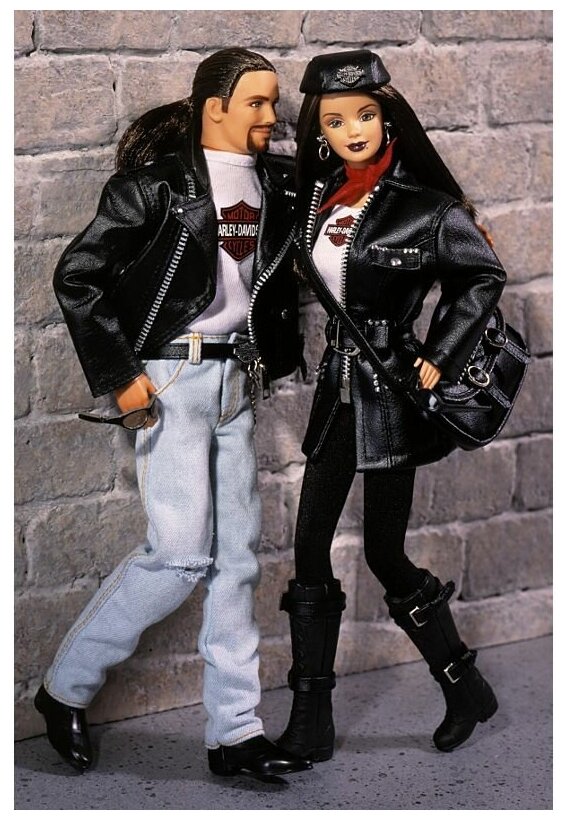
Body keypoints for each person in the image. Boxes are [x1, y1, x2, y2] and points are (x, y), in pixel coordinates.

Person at [34, 47, 310, 780]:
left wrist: (458, 221)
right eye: (256, 102)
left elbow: (361, 189)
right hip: (172, 378)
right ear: (214, 107)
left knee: (238, 560)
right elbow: (78, 275)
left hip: (238, 381)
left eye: (273, 101)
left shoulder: (280, 184)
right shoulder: (154, 186)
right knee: (180, 554)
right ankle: (65, 689)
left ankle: (236, 732)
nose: (271, 115)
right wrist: (121, 375)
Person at [276, 50, 506, 763]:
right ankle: (311, 716)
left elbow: (482, 276)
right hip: (336, 388)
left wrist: (442, 350)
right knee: (309, 545)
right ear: (318, 130)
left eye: (365, 115)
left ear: (387, 118)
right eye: (335, 120)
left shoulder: (425, 209)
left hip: (389, 390)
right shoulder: (318, 197)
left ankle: (463, 684)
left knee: (383, 550)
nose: (352, 129)